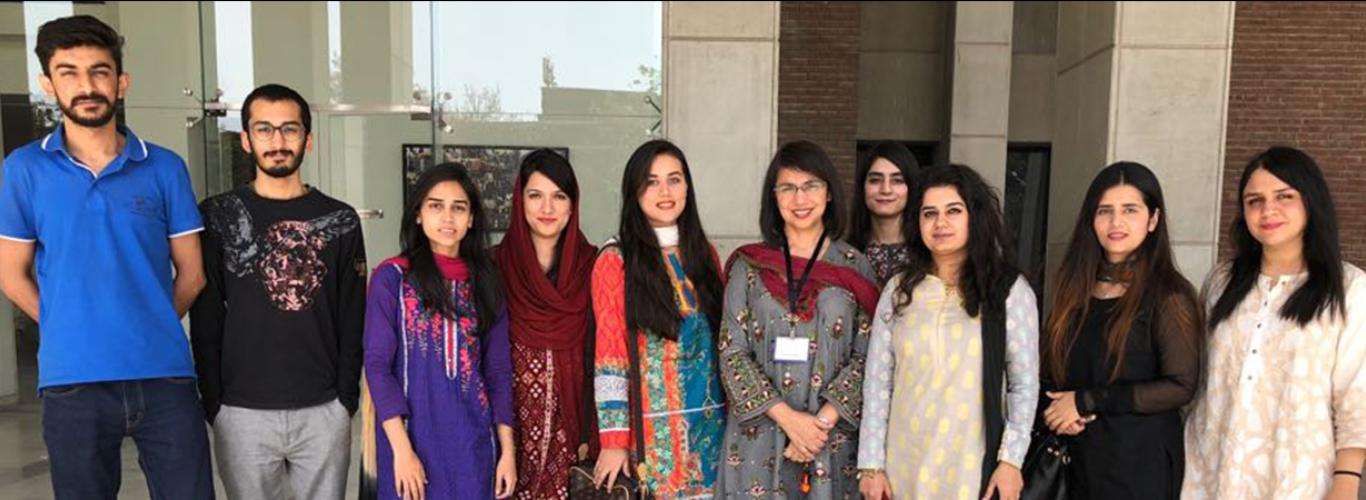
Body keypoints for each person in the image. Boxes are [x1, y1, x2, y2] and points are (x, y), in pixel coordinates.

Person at [0, 15, 213, 499]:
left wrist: (147, 322)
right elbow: (10, 274)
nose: (86, 85)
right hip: (72, 381)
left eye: (99, 71)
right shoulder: (24, 169)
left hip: (164, 375)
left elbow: (193, 274)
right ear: (47, 84)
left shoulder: (163, 166)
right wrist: (66, 324)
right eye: (68, 71)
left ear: (121, 82)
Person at [189, 83, 366, 499]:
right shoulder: (218, 216)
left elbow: (352, 314)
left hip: (323, 408)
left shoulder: (339, 219)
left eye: (289, 129)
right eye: (264, 130)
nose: (278, 141)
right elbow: (206, 315)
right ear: (247, 140)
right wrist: (214, 401)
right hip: (241, 410)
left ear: (308, 139)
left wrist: (345, 399)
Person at [1183, 146, 1366, 500]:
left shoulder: (1349, 288)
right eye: (1255, 200)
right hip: (1210, 473)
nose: (1268, 210)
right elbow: (1199, 378)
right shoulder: (1222, 282)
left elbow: (1356, 394)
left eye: (1284, 196)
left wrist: (1346, 479)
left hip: (1299, 478)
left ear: (1311, 201)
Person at [857, 164, 1039, 500]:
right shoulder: (899, 290)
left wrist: (1011, 461)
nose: (940, 223)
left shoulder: (1008, 290)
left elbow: (1023, 384)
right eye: (929, 213)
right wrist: (871, 464)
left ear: (975, 217)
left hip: (973, 468)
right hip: (903, 466)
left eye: (953, 211)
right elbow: (878, 381)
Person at [717, 140, 880, 499]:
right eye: (787, 188)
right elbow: (732, 353)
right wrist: (790, 421)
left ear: (829, 194)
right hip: (759, 437)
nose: (799, 199)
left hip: (830, 442)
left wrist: (816, 427)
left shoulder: (855, 266)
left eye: (811, 186)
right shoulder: (749, 266)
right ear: (773, 197)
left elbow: (869, 356)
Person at [1036, 162, 1202, 499]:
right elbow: (1050, 370)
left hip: (1139, 463)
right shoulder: (1073, 288)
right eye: (1105, 211)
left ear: (1153, 219)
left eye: (1130, 210)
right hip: (1075, 460)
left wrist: (1085, 401)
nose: (1116, 222)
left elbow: (1181, 385)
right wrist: (1055, 412)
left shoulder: (1169, 295)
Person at [362, 163, 516, 499]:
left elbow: (499, 372)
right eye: (436, 206)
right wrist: (402, 452)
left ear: (471, 218)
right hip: (410, 444)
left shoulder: (486, 283)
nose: (448, 218)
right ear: (418, 214)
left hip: (473, 447)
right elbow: (377, 366)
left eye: (458, 208)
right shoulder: (392, 279)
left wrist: (508, 452)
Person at [590, 139, 727, 497]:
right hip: (654, 437)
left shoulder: (705, 254)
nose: (664, 192)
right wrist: (614, 440)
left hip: (712, 428)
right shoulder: (616, 260)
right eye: (651, 182)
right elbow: (610, 358)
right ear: (634, 192)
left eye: (674, 179)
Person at [493, 149, 598, 500]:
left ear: (573, 205)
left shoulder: (595, 267)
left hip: (574, 437)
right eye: (535, 195)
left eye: (559, 197)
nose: (547, 209)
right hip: (508, 436)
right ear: (519, 201)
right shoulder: (493, 268)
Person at [848, 141, 921, 287]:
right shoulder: (845, 255)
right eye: (875, 180)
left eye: (897, 180)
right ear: (863, 187)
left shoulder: (928, 254)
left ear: (911, 187)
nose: (886, 189)